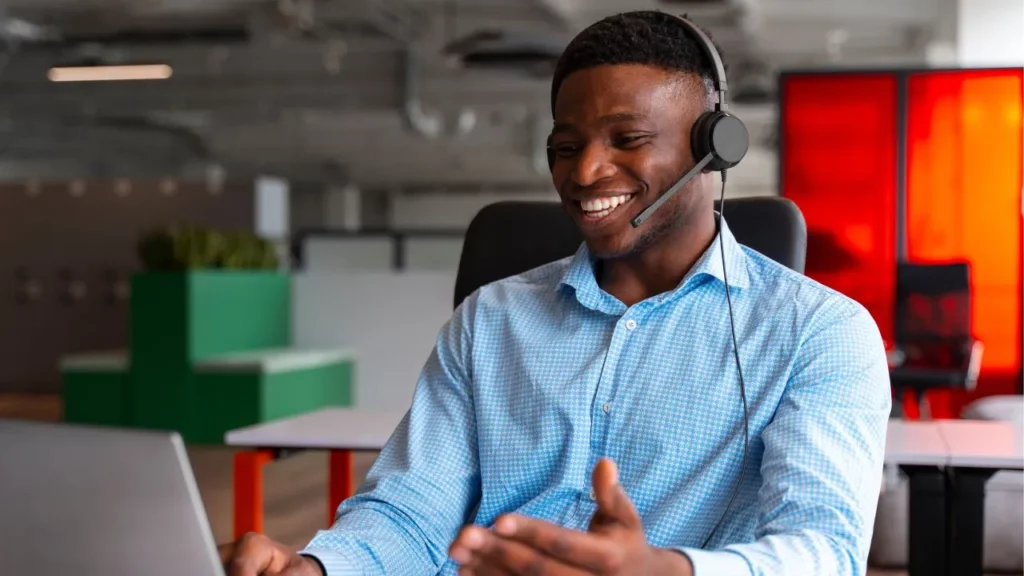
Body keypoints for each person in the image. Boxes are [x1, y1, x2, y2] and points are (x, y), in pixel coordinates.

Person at [219, 10, 891, 576]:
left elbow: (823, 549)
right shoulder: (490, 320)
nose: (586, 171)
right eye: (565, 146)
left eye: (626, 139)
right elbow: (413, 511)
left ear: (713, 148)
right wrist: (317, 567)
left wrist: (669, 570)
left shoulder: (819, 332)